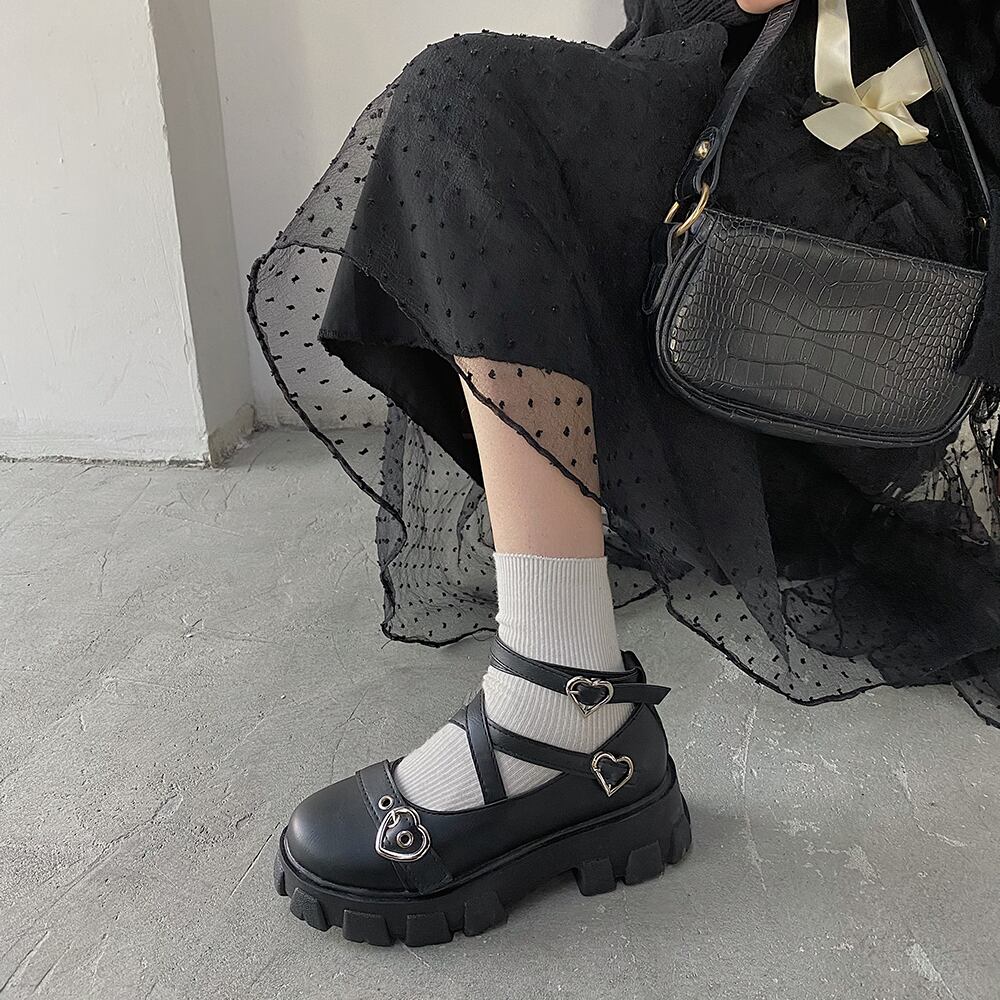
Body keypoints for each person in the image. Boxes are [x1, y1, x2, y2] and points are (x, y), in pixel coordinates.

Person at [247, 0, 1000, 945]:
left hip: (916, 188)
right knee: (469, 99)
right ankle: (563, 693)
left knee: (482, 104)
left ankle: (559, 715)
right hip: (722, 121)